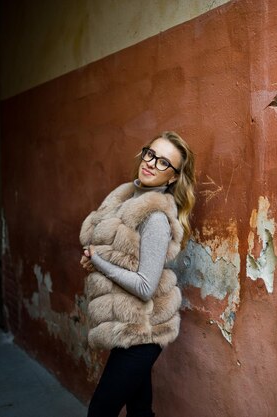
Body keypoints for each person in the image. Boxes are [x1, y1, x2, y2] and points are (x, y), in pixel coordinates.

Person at [79, 131, 196, 417]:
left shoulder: (155, 218)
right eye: (150, 154)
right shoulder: (123, 199)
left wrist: (100, 263)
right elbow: (114, 254)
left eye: (163, 163)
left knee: (100, 411)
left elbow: (145, 286)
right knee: (140, 410)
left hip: (144, 331)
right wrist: (95, 261)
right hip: (129, 323)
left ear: (172, 178)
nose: (152, 163)